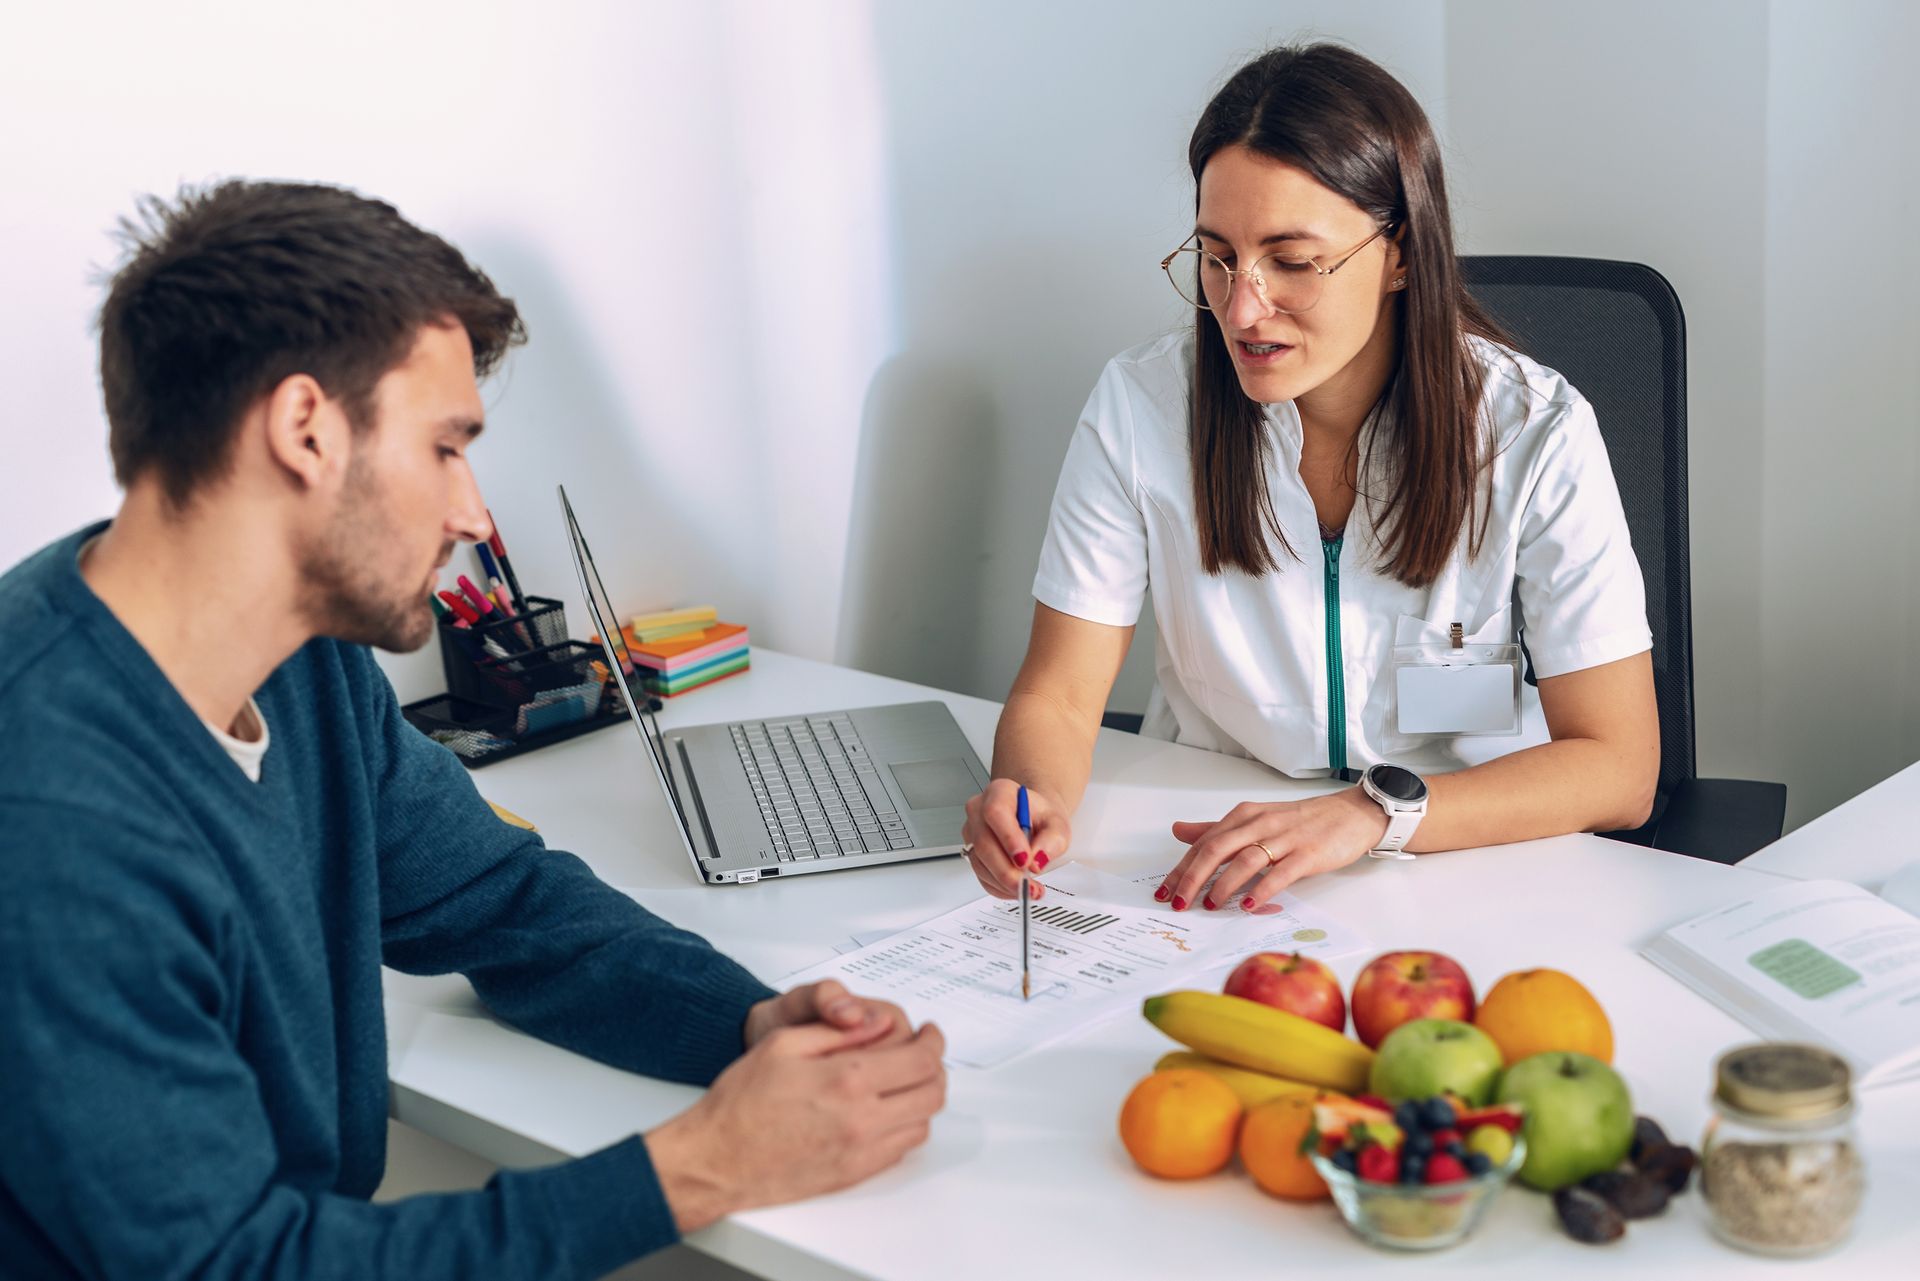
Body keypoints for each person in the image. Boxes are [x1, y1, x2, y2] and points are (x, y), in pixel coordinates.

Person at [0, 181, 946, 1280]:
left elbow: (497, 899)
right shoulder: (50, 809)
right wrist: (704, 1168)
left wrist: (746, 1023)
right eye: (447, 447)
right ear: (305, 430)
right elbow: (232, 1267)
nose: (473, 514)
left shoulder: (301, 662)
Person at [960, 44, 1658, 913]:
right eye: (1217, 257)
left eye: (1292, 261)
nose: (1241, 308)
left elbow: (1619, 767)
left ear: (1399, 252)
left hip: (1468, 854)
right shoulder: (1140, 408)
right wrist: (1033, 799)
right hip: (1209, 842)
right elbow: (1058, 696)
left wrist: (1371, 814)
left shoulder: (1532, 430)